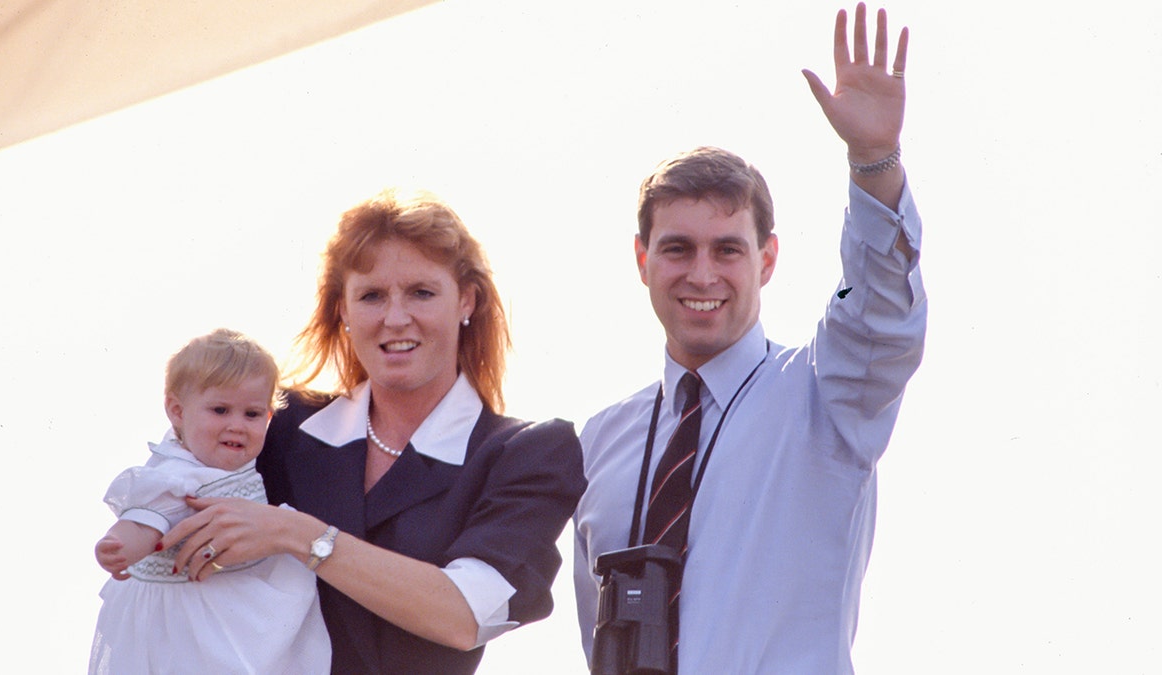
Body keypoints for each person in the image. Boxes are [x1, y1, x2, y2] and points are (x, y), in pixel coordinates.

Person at [573, 4, 927, 673]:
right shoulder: (600, 441)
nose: (702, 274)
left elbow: (880, 310)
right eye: (677, 248)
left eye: (727, 249)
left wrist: (873, 161)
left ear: (767, 260)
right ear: (642, 259)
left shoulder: (825, 393)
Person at [159, 189, 587, 674]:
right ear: (342, 310)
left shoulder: (526, 453)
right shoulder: (274, 424)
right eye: (371, 296)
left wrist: (299, 534)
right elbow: (165, 502)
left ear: (466, 299)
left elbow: (466, 614)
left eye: (421, 293)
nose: (395, 318)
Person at [90, 328, 331, 674]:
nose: (237, 425)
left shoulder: (243, 464)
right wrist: (120, 546)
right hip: (190, 619)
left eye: (252, 415)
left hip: (240, 601)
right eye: (220, 410)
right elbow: (147, 520)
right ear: (177, 411)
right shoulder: (177, 473)